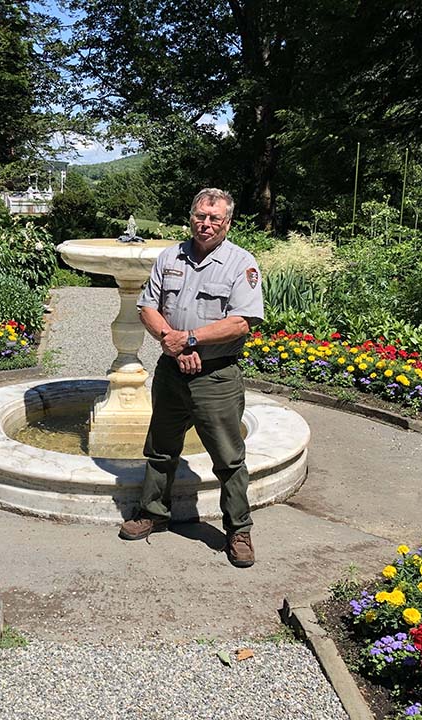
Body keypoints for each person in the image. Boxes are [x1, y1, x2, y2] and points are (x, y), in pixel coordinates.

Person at [119, 188, 264, 568]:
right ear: (191, 217)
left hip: (215, 377)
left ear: (227, 223)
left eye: (215, 218)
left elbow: (241, 323)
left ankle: (238, 530)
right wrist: (175, 345)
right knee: (161, 449)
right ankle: (152, 512)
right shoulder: (170, 257)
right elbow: (147, 306)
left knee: (229, 459)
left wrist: (191, 339)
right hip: (172, 372)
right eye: (201, 215)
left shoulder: (240, 264)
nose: (206, 223)